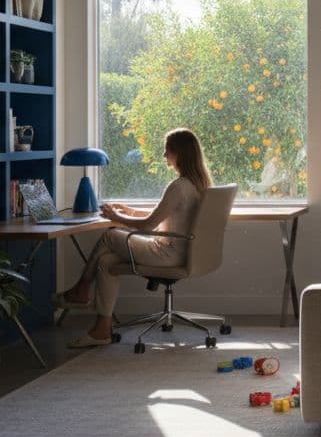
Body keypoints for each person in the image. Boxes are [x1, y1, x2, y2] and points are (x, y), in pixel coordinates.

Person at [51, 128, 212, 348]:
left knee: (110, 236)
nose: (165, 156)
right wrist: (128, 210)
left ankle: (82, 288)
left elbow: (148, 225)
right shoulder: (198, 184)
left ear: (179, 154)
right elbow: (162, 215)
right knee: (106, 263)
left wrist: (117, 217)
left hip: (167, 253)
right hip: (182, 251)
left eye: (168, 151)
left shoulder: (178, 187)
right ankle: (102, 329)